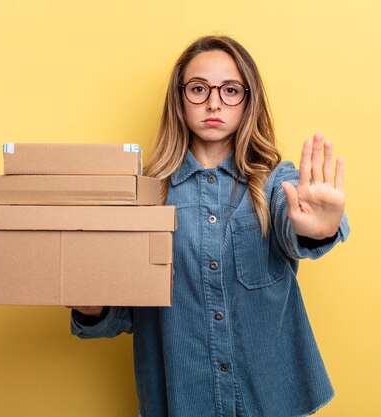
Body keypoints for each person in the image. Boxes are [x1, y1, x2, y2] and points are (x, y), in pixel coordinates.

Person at [69, 35, 350, 417]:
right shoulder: (143, 197)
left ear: (248, 100)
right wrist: (92, 307)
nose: (214, 102)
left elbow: (295, 222)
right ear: (179, 98)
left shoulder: (275, 183)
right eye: (199, 89)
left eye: (230, 90)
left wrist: (318, 228)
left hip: (270, 403)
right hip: (180, 401)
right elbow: (124, 316)